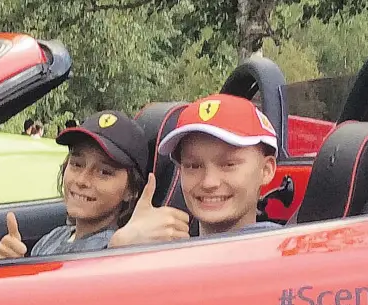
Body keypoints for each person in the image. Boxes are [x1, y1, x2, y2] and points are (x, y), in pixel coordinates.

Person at [109, 93, 281, 247]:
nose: (209, 182)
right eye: (193, 166)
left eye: (228, 165)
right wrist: (122, 250)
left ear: (266, 170)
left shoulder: (286, 253)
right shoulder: (166, 256)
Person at [0, 111, 148, 259]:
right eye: (77, 164)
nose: (81, 180)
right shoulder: (54, 237)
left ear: (131, 190)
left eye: (104, 172)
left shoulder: (114, 252)